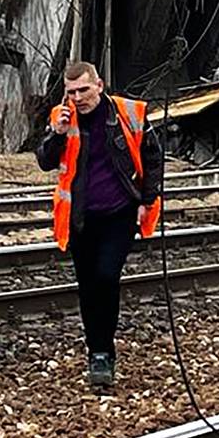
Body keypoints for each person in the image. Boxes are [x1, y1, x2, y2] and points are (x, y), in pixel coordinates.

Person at [36, 60, 163, 389]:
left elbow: (153, 157)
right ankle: (96, 351)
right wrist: (57, 134)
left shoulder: (127, 114)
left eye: (84, 90)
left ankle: (104, 352)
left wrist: (147, 201)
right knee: (88, 287)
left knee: (106, 276)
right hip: (80, 218)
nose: (78, 97)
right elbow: (45, 161)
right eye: (72, 92)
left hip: (119, 214)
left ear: (99, 85)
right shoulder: (61, 118)